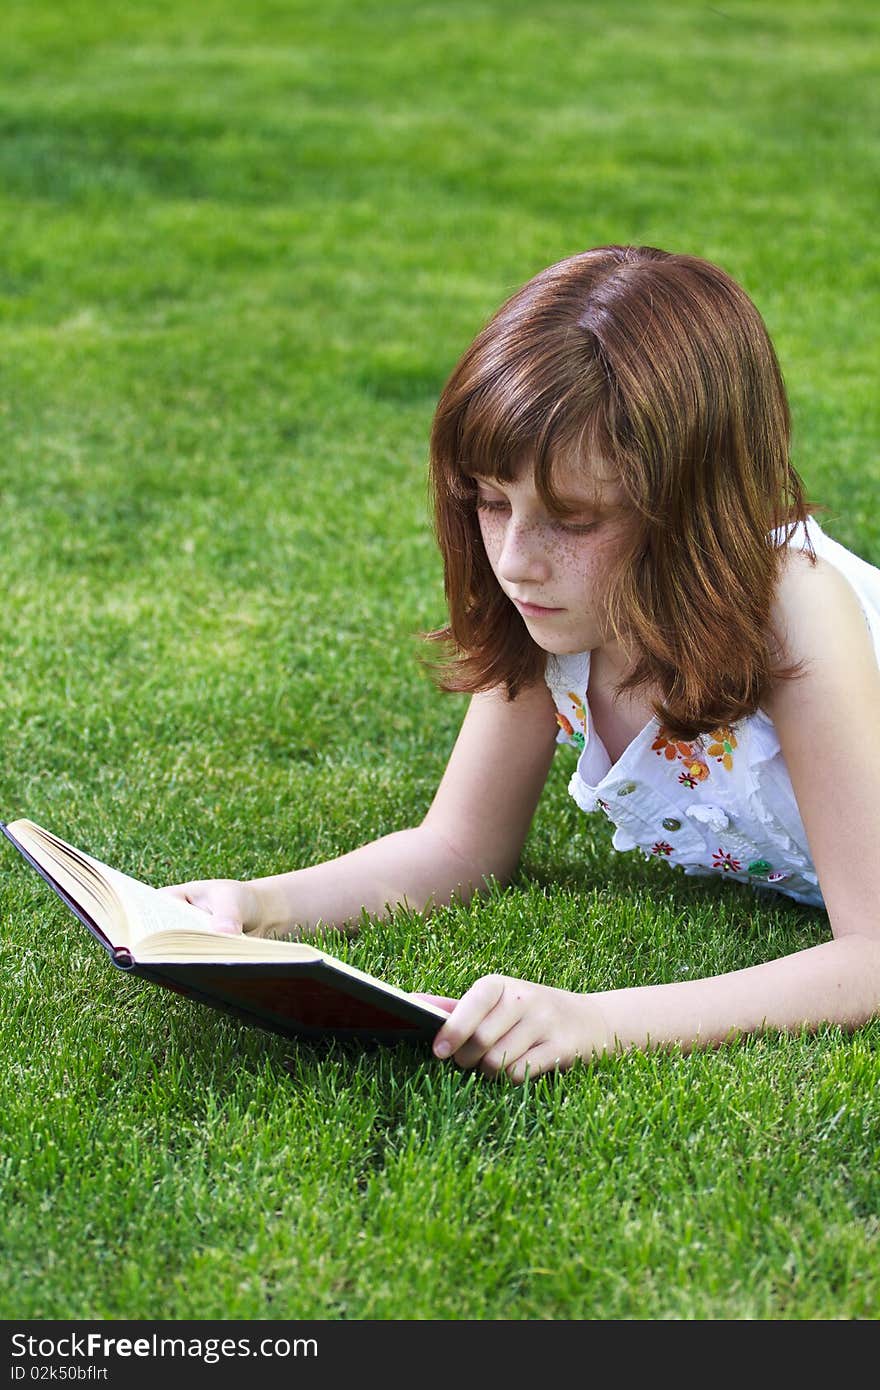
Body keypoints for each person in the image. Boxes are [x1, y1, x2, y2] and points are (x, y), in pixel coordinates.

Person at [161, 245, 880, 1081]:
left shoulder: (795, 606)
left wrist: (598, 1019)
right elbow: (461, 847)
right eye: (491, 502)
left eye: (574, 521)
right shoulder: (558, 614)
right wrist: (257, 904)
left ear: (695, 508)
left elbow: (870, 950)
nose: (514, 559)